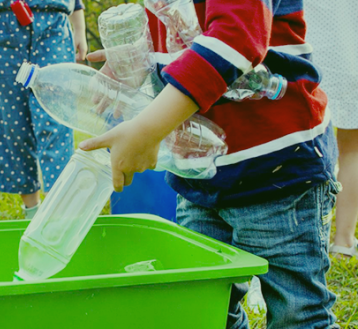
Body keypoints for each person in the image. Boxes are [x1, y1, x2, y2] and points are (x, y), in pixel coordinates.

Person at [80, 1, 339, 328]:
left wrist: (146, 130)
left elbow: (235, 37)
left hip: (277, 176)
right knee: (203, 306)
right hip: (199, 178)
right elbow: (182, 33)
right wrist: (140, 58)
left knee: (296, 314)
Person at [0, 0, 88, 218]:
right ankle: (32, 211)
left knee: (54, 121)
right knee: (13, 125)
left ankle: (58, 214)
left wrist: (80, 29)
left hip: (53, 27)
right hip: (3, 31)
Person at [305, 0, 358, 258]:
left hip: (306, 58)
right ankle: (344, 241)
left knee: (303, 148)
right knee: (353, 151)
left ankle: (312, 238)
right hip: (351, 57)